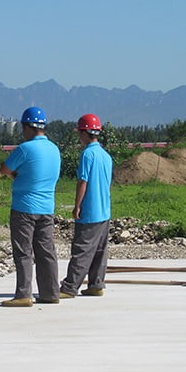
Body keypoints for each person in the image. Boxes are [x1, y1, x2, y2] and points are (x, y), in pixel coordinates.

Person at [0, 106, 61, 307]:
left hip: (24, 207)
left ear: (27, 127)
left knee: (24, 252)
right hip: (47, 208)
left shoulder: (25, 149)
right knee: (46, 251)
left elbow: (4, 169)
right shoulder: (54, 149)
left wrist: (16, 176)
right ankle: (50, 292)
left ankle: (24, 294)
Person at [60, 114, 113, 298]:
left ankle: (69, 287)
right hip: (104, 210)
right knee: (100, 250)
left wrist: (77, 206)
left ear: (84, 133)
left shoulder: (87, 154)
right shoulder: (106, 155)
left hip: (90, 210)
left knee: (82, 249)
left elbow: (83, 181)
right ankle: (96, 284)